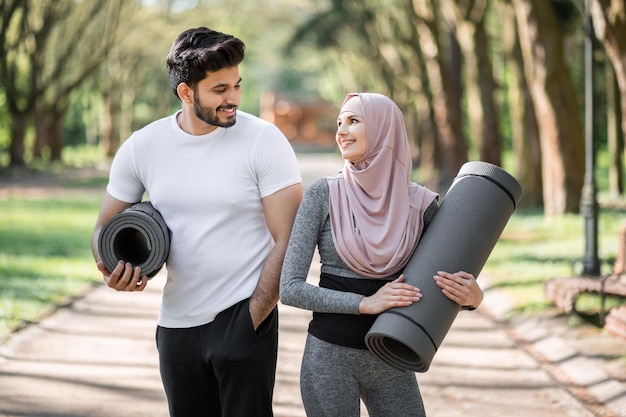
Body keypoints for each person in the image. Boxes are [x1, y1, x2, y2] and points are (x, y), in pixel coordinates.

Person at [91, 27, 303, 417]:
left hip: (244, 317)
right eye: (220, 90)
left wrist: (251, 319)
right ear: (185, 92)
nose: (234, 99)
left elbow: (290, 239)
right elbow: (105, 226)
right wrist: (110, 269)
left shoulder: (264, 141)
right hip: (175, 327)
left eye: (237, 86)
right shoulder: (143, 146)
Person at [280, 92, 483, 417]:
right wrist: (365, 304)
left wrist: (471, 297)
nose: (341, 131)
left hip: (392, 358)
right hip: (330, 358)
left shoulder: (422, 204)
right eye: (339, 123)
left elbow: (443, 278)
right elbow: (289, 289)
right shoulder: (323, 194)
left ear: (383, 128)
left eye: (354, 120)